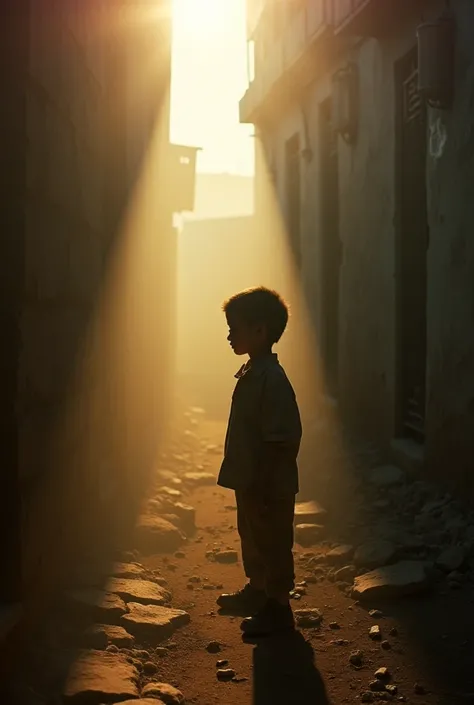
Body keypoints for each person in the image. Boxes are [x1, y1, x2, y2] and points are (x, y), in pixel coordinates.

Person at [216, 286, 302, 637]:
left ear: (260, 331)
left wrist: (266, 484)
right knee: (251, 535)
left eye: (235, 329)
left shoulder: (273, 379)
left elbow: (281, 438)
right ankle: (258, 590)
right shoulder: (253, 371)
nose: (229, 336)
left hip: (269, 482)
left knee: (273, 541)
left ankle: (279, 607)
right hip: (252, 479)